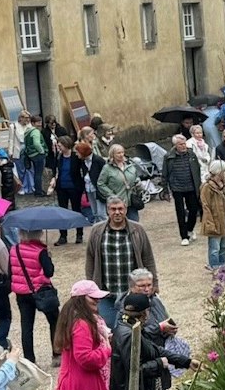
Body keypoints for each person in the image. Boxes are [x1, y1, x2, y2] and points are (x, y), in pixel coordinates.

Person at [83, 198, 157, 334]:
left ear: (126, 209)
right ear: (107, 210)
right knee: (108, 331)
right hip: (106, 293)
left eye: (120, 209)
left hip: (132, 294)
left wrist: (154, 284)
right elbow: (90, 260)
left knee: (135, 330)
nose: (117, 212)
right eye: (113, 209)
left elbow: (148, 258)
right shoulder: (97, 231)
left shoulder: (138, 230)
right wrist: (91, 287)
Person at [7, 227, 59, 366]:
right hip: (41, 290)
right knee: (54, 320)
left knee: (27, 326)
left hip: (22, 293)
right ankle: (56, 354)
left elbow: (10, 272)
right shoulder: (40, 250)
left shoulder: (14, 249)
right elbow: (49, 272)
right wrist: (49, 258)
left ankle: (30, 359)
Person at [161, 134, 202, 245]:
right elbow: (164, 174)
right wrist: (165, 190)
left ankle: (190, 228)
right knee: (180, 212)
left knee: (193, 210)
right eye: (180, 144)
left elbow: (197, 170)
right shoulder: (168, 157)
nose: (183, 146)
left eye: (184, 144)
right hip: (177, 187)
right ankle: (184, 236)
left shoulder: (191, 154)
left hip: (191, 186)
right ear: (175, 145)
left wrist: (199, 185)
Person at [201, 159, 225, 267]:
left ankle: (223, 266)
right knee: (215, 247)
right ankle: (214, 266)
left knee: (224, 246)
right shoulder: (207, 187)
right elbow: (206, 206)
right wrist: (210, 223)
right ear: (219, 172)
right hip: (215, 220)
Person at [49, 140, 86, 244]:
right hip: (61, 188)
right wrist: (53, 179)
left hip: (74, 187)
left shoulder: (75, 156)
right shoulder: (58, 157)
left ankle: (79, 234)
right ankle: (63, 236)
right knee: (62, 212)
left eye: (60, 146)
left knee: (76, 210)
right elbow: (55, 170)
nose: (58, 148)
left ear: (66, 145)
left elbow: (82, 170)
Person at [96, 143, 137, 222]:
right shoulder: (107, 168)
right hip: (116, 203)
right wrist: (111, 195)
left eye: (122, 152)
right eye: (118, 153)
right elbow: (101, 184)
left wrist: (138, 184)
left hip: (131, 201)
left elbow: (136, 176)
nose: (121, 155)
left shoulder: (130, 165)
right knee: (119, 224)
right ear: (113, 154)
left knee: (134, 223)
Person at [21, 113, 47, 197]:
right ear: (32, 123)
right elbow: (36, 143)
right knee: (39, 173)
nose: (40, 124)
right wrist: (42, 151)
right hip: (38, 154)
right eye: (38, 122)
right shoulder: (35, 131)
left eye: (40, 122)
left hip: (31, 155)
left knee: (36, 173)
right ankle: (38, 191)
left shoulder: (27, 131)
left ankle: (38, 189)